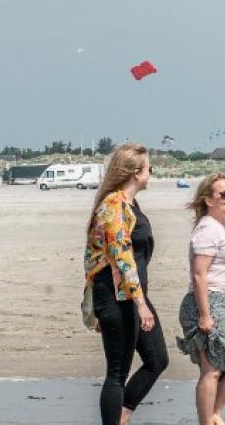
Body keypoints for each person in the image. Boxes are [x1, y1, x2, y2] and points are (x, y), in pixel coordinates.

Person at [84, 143, 170, 425]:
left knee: (157, 359)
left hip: (132, 294)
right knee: (117, 372)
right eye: (149, 169)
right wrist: (139, 304)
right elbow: (120, 256)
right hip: (117, 295)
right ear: (136, 172)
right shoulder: (113, 205)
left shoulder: (131, 204)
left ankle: (123, 415)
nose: (151, 173)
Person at [176, 173, 225, 425]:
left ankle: (213, 415)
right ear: (208, 200)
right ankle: (209, 419)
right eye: (223, 194)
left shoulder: (221, 226)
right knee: (211, 370)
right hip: (210, 302)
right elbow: (199, 274)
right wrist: (205, 315)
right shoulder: (208, 228)